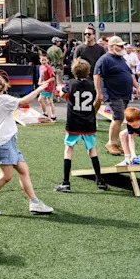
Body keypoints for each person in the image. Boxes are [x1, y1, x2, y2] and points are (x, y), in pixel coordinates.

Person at [0, 75, 54, 216]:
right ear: (4, 86)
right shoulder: (3, 99)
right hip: (4, 142)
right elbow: (24, 101)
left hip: (4, 142)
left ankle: (34, 202)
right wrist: (39, 89)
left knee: (23, 169)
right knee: (6, 176)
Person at [54, 59, 106, 193]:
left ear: (73, 71)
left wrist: (60, 88)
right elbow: (96, 99)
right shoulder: (91, 85)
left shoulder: (70, 83)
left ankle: (66, 182)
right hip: (88, 122)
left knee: (68, 149)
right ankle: (99, 180)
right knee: (92, 150)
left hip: (74, 122)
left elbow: (61, 94)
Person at [93, 36, 140, 156]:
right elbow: (97, 75)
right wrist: (99, 92)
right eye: (120, 45)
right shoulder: (105, 59)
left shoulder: (122, 59)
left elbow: (130, 75)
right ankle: (111, 143)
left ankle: (114, 143)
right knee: (118, 117)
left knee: (119, 118)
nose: (123, 47)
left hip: (124, 93)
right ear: (112, 46)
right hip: (113, 93)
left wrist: (137, 87)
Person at [37, 54, 56, 121]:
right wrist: (39, 82)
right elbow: (41, 76)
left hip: (48, 87)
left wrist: (45, 82)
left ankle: (45, 113)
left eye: (45, 60)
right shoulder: (40, 67)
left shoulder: (49, 68)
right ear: (40, 60)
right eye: (42, 60)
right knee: (49, 101)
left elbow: (53, 78)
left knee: (40, 99)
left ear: (47, 60)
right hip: (43, 86)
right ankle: (52, 116)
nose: (44, 61)